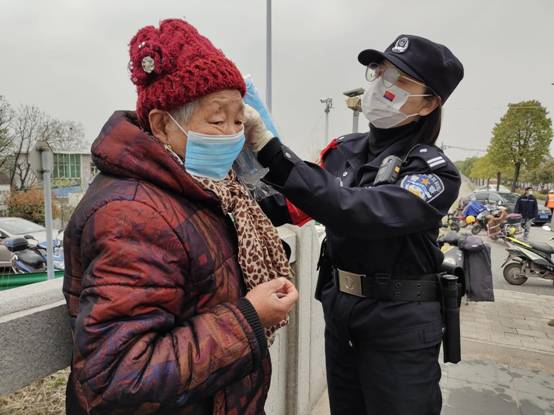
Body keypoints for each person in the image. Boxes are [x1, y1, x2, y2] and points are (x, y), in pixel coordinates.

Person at [62, 19, 298, 415]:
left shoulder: (205, 190)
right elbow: (118, 375)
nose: (232, 134)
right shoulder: (133, 214)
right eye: (217, 119)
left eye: (240, 120)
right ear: (161, 124)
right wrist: (249, 318)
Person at [246, 34, 463, 414]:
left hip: (399, 324)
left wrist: (273, 150)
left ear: (429, 103)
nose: (381, 84)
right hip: (341, 313)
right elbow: (295, 205)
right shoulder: (345, 149)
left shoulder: (432, 171)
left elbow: (356, 209)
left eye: (400, 79)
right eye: (380, 71)